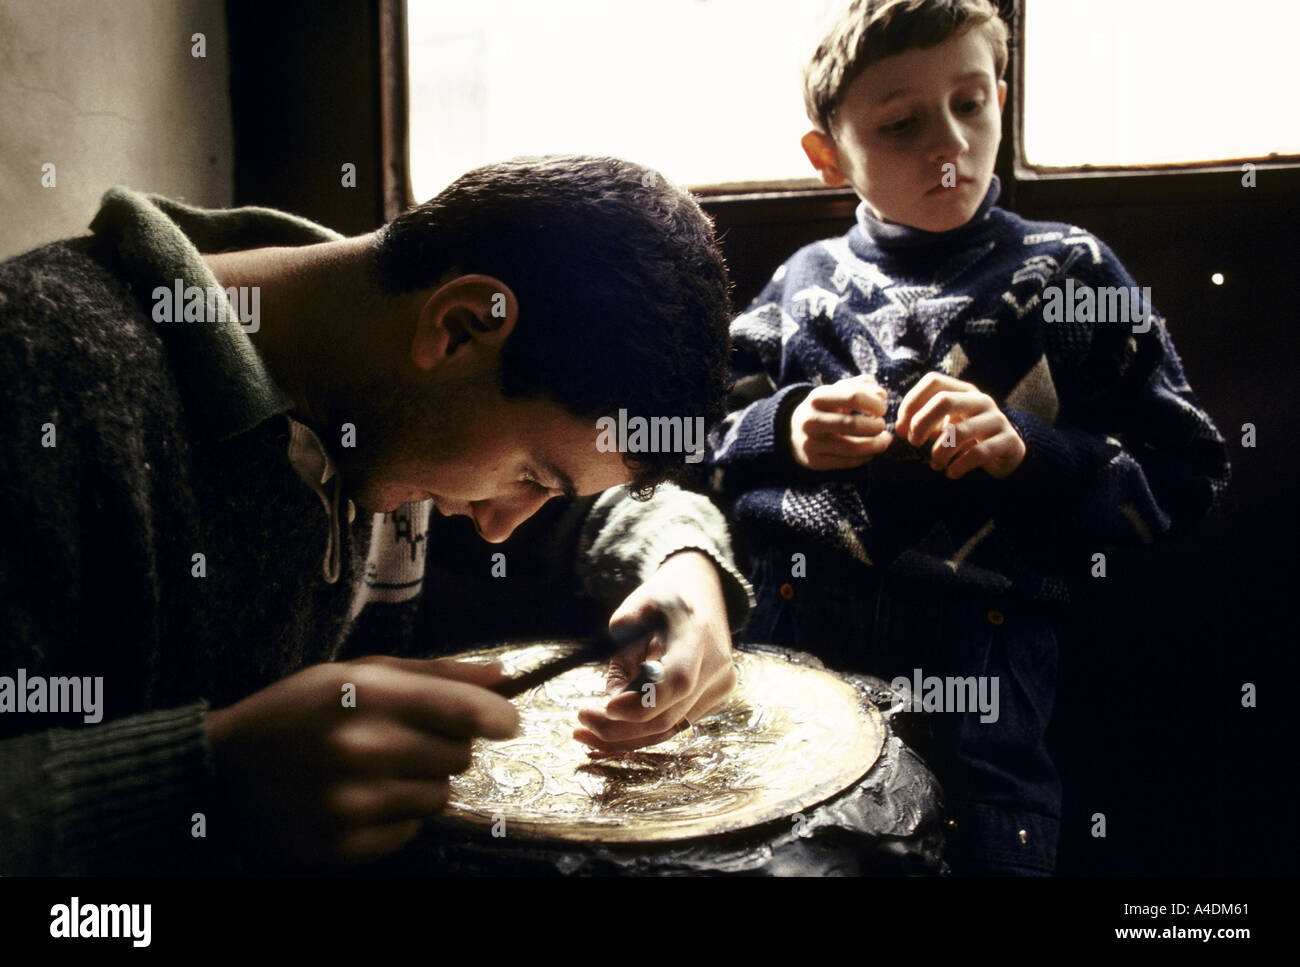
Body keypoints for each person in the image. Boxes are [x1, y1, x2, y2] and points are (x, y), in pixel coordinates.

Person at [0, 155, 752, 874]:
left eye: (547, 492)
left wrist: (686, 573)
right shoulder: (37, 380)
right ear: (457, 327)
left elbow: (602, 511)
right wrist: (200, 782)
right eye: (530, 476)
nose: (498, 526)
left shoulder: (379, 390)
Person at [708, 0, 1230, 875]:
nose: (946, 143)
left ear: (1000, 93)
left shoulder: (1069, 274)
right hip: (791, 646)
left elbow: (1187, 476)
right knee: (780, 850)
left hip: (979, 656)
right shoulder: (800, 284)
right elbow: (689, 448)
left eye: (971, 102)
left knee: (981, 851)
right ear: (828, 156)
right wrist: (784, 427)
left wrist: (1033, 450)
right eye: (902, 122)